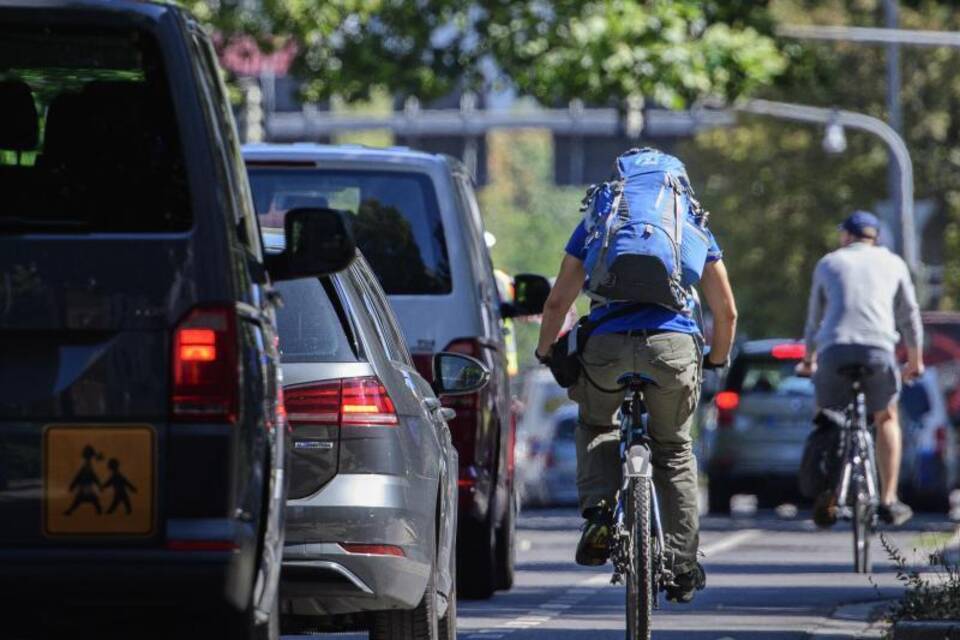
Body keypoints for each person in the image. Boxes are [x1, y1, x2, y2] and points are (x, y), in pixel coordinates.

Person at [535, 200, 737, 604]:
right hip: (673, 348)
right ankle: (681, 564)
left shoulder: (600, 219)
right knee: (675, 449)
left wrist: (544, 351)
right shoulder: (690, 223)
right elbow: (727, 311)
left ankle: (598, 515)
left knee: (596, 424)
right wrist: (716, 358)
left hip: (606, 346)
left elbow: (558, 302)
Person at [797, 210, 923, 527]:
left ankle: (828, 488)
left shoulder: (829, 262)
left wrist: (809, 359)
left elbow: (814, 320)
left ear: (846, 236)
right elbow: (910, 315)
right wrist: (915, 360)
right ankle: (890, 499)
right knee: (887, 417)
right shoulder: (894, 263)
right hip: (879, 350)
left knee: (826, 413)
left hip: (834, 349)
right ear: (875, 237)